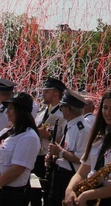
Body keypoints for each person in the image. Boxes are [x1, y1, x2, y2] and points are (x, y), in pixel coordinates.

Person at [65, 89, 111, 206]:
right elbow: (81, 172)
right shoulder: (98, 137)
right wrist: (69, 190)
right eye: (105, 107)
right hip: (90, 196)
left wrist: (86, 195)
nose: (107, 112)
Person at [0, 92, 41, 205]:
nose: (7, 112)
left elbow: (17, 170)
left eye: (11, 108)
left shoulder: (29, 136)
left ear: (21, 111)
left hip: (9, 195)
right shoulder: (6, 131)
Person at [47, 90, 90, 206]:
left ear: (68, 109)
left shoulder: (83, 129)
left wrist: (60, 152)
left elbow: (82, 159)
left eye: (62, 107)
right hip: (59, 174)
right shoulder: (70, 125)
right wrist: (54, 156)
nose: (61, 110)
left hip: (69, 176)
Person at [32, 77, 67, 206]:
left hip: (50, 159)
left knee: (47, 195)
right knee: (33, 194)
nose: (43, 94)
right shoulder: (42, 111)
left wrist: (48, 136)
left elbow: (65, 139)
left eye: (47, 92)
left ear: (56, 94)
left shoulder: (63, 114)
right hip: (36, 156)